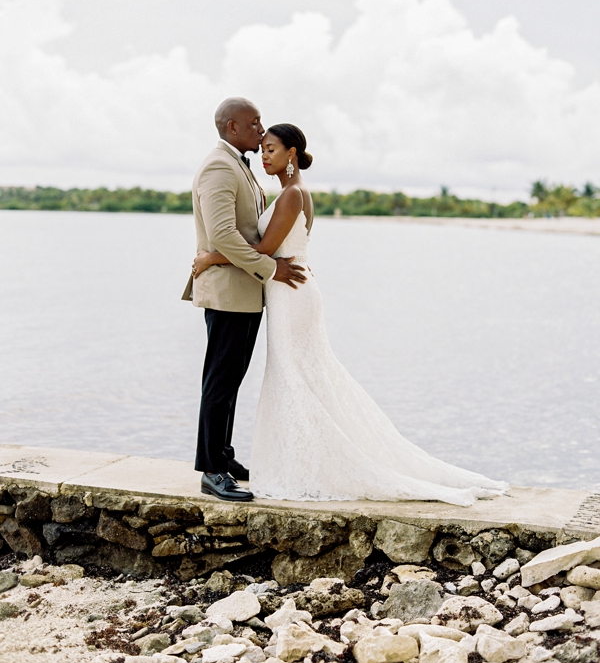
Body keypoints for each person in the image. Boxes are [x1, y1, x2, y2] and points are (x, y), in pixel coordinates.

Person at [193, 123, 509, 506]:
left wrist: (211, 256)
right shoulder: (289, 193)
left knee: (296, 379)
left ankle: (313, 463)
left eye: (272, 148)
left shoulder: (292, 195)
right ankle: (285, 459)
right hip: (290, 292)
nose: (265, 155)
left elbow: (264, 248)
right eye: (262, 150)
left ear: (292, 153)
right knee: (300, 379)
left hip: (291, 294)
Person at [183, 98, 306, 502]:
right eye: (255, 124)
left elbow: (248, 235)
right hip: (229, 292)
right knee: (220, 380)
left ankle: (223, 454)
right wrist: (270, 270)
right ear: (232, 127)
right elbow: (221, 235)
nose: (261, 129)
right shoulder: (219, 166)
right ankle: (212, 471)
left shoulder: (240, 166)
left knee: (230, 379)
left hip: (245, 291)